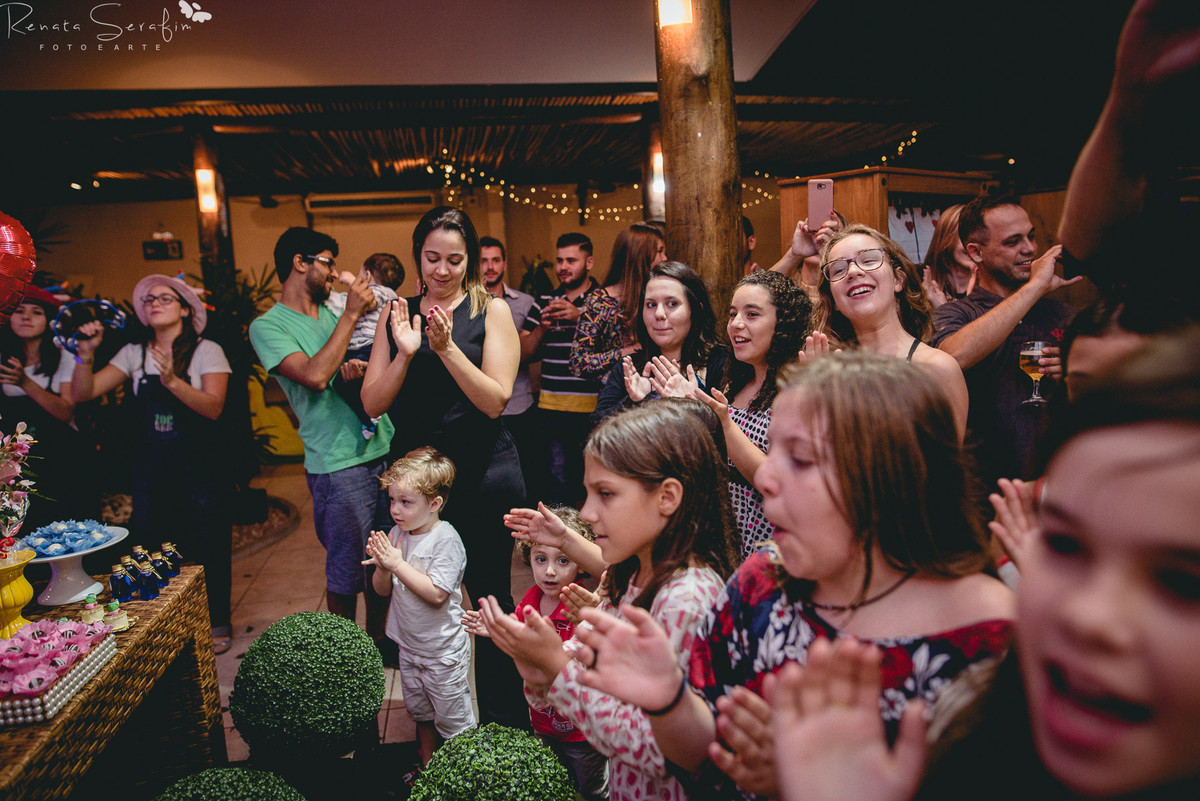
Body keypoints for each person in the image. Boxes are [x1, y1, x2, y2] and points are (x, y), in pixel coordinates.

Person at [769, 326, 1200, 801]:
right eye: (1064, 545)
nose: (1087, 616)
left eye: (1182, 583)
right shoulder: (979, 749)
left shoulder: (977, 644)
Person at [570, 352, 1015, 801]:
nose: (766, 478)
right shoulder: (763, 580)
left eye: (799, 458)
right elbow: (701, 757)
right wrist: (670, 702)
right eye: (772, 452)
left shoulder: (991, 641)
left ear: (890, 472)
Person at [477, 401, 739, 801]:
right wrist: (536, 664)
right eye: (587, 493)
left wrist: (554, 668)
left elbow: (666, 750)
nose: (588, 512)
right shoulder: (634, 576)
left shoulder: (686, 599)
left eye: (606, 493)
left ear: (667, 497)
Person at [361, 205, 528, 730]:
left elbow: (496, 400)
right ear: (418, 258)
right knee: (414, 588)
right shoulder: (397, 314)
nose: (442, 269)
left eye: (454, 259)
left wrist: (449, 348)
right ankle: (435, 727)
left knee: (487, 593)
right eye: (432, 258)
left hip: (481, 468)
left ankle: (504, 725)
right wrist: (408, 354)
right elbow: (372, 403)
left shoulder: (491, 310)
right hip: (417, 477)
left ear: (470, 261)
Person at [70, 274, 235, 652]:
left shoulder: (207, 350)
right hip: (153, 467)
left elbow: (213, 408)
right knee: (154, 544)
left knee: (207, 544)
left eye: (163, 297)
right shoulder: (133, 352)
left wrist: (172, 380)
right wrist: (86, 353)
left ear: (184, 308)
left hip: (200, 466)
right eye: (147, 300)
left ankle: (217, 620)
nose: (153, 303)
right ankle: (166, 621)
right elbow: (84, 392)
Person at [248, 227, 394, 640]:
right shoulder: (269, 326)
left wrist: (357, 367)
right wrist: (349, 315)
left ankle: (378, 642)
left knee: (382, 563)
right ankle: (345, 655)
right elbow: (313, 375)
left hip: (382, 448)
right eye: (328, 262)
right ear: (300, 262)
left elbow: (356, 357)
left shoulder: (332, 312)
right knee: (346, 571)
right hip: (337, 463)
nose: (334, 274)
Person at [931, 195, 1080, 494]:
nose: (1030, 249)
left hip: (1055, 486)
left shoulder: (1063, 315)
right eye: (1014, 241)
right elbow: (953, 357)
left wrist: (1074, 374)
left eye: (1031, 237)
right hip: (983, 490)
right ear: (975, 252)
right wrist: (1035, 287)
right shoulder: (957, 313)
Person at [464, 505, 608, 801]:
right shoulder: (528, 602)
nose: (550, 571)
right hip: (543, 722)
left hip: (582, 731)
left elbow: (594, 659)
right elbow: (523, 643)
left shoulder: (580, 605)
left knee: (592, 789)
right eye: (540, 559)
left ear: (581, 564)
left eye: (563, 560)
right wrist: (500, 630)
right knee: (554, 782)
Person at [363, 447, 473, 764]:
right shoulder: (398, 533)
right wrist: (383, 567)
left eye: (406, 502)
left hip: (442, 650)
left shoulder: (446, 540)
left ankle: (463, 774)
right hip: (409, 647)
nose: (395, 510)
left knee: (454, 723)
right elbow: (381, 592)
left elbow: (438, 594)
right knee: (422, 714)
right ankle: (428, 766)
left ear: (435, 504)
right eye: (392, 500)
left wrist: (396, 565)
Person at [814, 224, 969, 439]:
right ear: (834, 301)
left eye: (868, 260)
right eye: (838, 270)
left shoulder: (938, 369)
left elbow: (946, 468)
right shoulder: (827, 372)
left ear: (898, 279)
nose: (853, 271)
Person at [696, 270, 810, 560]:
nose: (736, 324)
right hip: (727, 537)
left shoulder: (797, 388)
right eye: (733, 314)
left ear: (782, 324)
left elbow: (775, 481)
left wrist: (723, 422)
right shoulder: (735, 381)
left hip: (769, 542)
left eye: (752, 315)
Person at [521, 232, 602, 506]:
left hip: (594, 409)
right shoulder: (544, 299)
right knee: (556, 483)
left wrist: (582, 317)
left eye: (571, 260)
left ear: (589, 263)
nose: (563, 267)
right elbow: (523, 352)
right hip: (552, 408)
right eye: (559, 261)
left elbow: (620, 344)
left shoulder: (602, 300)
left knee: (594, 482)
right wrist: (542, 327)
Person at [591, 261, 727, 425]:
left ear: (696, 309)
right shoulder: (631, 367)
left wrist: (690, 405)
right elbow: (595, 427)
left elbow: (727, 437)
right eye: (651, 305)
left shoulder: (721, 363)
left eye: (672, 304)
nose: (659, 314)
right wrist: (637, 401)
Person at [0, 286, 84, 529]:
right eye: (19, 311)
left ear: (49, 321)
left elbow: (66, 411)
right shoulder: (5, 356)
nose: (26, 317)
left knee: (65, 520)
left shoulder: (65, 355)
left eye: (36, 312)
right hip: (18, 458)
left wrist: (25, 382)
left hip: (62, 454)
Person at [479, 236, 541, 497]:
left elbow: (533, 353)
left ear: (504, 264)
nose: (489, 267)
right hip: (479, 406)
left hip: (519, 404)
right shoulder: (463, 304)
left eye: (495, 260)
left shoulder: (525, 303)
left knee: (525, 478)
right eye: (483, 261)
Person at [569, 222, 667, 382]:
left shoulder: (657, 298)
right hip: (616, 398)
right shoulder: (599, 301)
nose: (665, 258)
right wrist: (627, 351)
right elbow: (578, 363)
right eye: (660, 251)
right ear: (642, 255)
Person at [328, 252, 403, 439]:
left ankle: (368, 416)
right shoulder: (390, 294)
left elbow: (367, 299)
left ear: (367, 276)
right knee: (349, 382)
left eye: (361, 274)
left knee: (340, 382)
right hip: (362, 348)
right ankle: (369, 416)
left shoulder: (382, 292)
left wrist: (351, 281)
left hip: (368, 347)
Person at [770, 212, 845, 304]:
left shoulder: (843, 293)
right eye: (815, 231)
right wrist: (793, 255)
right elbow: (757, 296)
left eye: (831, 234)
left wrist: (831, 255)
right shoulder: (785, 287)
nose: (820, 239)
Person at [920, 204, 976, 308]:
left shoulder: (991, 291)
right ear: (946, 237)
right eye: (965, 236)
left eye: (979, 236)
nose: (973, 245)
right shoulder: (922, 286)